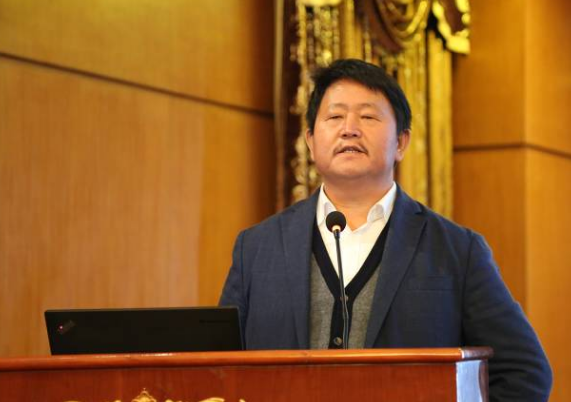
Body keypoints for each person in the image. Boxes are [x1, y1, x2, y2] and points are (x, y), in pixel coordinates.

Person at [219, 59, 552, 401]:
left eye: (368, 117)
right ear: (310, 141)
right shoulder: (256, 248)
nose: (349, 129)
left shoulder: (457, 250)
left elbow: (525, 372)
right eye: (335, 117)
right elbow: (216, 370)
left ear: (401, 142)